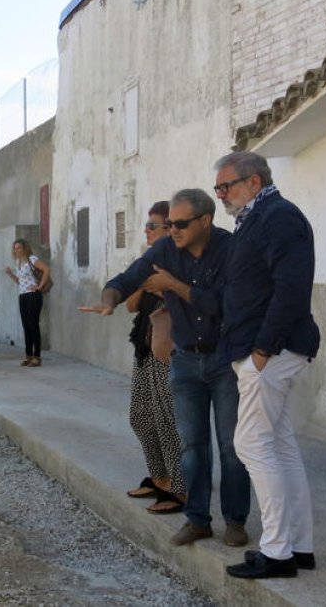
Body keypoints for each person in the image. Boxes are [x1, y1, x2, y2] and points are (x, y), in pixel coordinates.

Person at [80, 189, 250, 549]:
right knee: (191, 444)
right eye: (170, 223)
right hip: (185, 359)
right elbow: (129, 278)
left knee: (232, 446)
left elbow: (226, 303)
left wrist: (172, 285)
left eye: (181, 224)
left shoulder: (232, 249)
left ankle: (235, 521)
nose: (173, 230)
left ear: (206, 220)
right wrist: (108, 299)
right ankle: (197, 519)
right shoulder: (164, 250)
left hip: (224, 360)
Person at [214, 152, 320, 580]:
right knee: (278, 444)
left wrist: (262, 349)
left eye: (227, 186)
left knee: (252, 444)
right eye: (218, 188)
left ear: (253, 182)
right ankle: (299, 545)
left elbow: (292, 288)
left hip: (270, 352)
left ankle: (277, 553)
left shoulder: (278, 217)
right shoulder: (256, 219)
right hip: (264, 350)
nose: (221, 194)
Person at [120, 201, 186, 515]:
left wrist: (164, 287)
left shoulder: (179, 264)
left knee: (167, 421)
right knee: (140, 417)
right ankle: (159, 477)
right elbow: (132, 305)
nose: (146, 231)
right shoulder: (148, 263)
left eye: (152, 226)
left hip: (168, 350)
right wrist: (141, 277)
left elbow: (191, 305)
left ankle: (179, 487)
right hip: (144, 346)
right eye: (146, 225)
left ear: (168, 229)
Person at [4, 239, 50, 366]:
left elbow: (46, 269)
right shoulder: (18, 262)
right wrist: (10, 274)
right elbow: (20, 281)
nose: (16, 250)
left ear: (25, 248)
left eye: (19, 248)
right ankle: (28, 355)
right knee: (26, 325)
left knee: (33, 325)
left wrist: (39, 286)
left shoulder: (32, 259)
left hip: (33, 295)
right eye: (15, 248)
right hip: (23, 295)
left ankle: (37, 356)